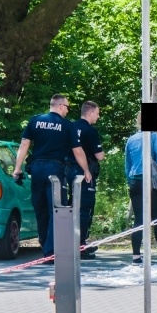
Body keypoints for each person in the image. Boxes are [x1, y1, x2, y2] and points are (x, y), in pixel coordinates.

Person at [13, 94, 92, 261]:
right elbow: (77, 151)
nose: (68, 110)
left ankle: (44, 243)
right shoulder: (66, 125)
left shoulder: (35, 121)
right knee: (55, 210)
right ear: (61, 106)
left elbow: (24, 145)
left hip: (37, 169)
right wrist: (86, 170)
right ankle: (50, 252)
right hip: (55, 170)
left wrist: (17, 168)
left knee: (40, 209)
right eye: (68, 107)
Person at [124, 111, 157, 264]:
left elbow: (127, 165)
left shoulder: (131, 140)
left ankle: (136, 256)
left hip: (135, 180)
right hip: (152, 181)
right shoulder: (154, 137)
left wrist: (130, 180)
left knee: (139, 219)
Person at [66, 101, 105, 259]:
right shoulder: (90, 130)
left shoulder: (70, 127)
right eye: (97, 113)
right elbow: (99, 156)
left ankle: (72, 242)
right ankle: (81, 244)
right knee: (85, 208)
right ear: (90, 113)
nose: (98, 116)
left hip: (68, 170)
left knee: (72, 206)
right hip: (84, 172)